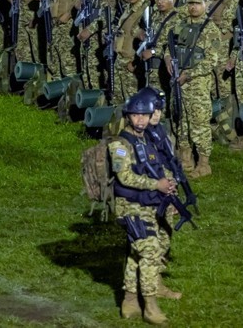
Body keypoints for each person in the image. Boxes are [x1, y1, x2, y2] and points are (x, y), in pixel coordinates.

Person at [109, 88, 178, 325]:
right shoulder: (119, 144)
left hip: (149, 204)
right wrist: (155, 184)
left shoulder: (148, 139)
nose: (140, 120)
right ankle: (150, 305)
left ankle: (129, 302)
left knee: (136, 253)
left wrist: (169, 185)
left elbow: (159, 166)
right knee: (150, 250)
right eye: (135, 115)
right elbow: (124, 177)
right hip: (129, 206)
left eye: (144, 115)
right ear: (128, 116)